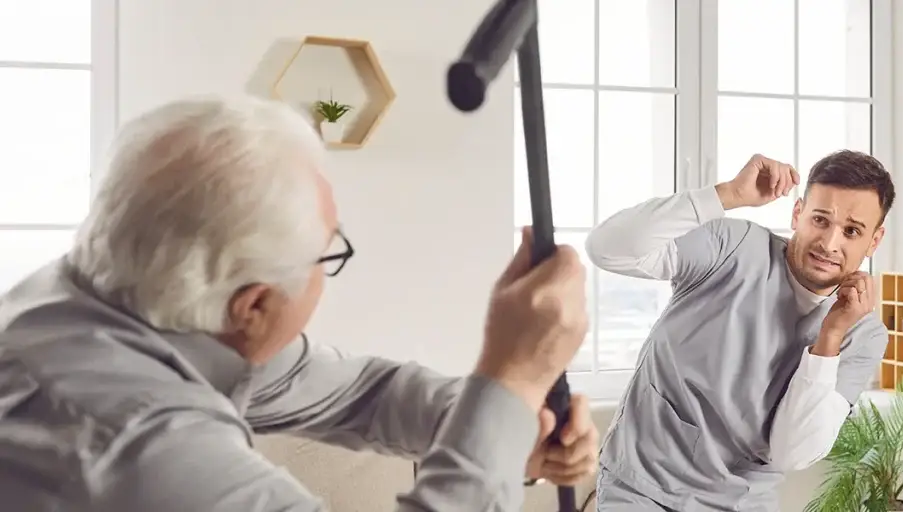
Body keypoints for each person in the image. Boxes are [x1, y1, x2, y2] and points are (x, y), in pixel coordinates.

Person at [0, 95, 599, 511]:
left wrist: (513, 426)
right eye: (328, 252)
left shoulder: (121, 299)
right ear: (253, 306)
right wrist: (514, 377)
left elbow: (364, 395)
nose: (328, 265)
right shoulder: (132, 446)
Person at [587, 152, 895, 511]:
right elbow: (607, 250)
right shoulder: (731, 247)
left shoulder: (863, 335)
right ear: (797, 214)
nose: (829, 244)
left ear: (874, 241)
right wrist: (727, 195)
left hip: (742, 504)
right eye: (820, 220)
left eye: (852, 231)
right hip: (641, 489)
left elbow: (793, 452)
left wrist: (831, 336)